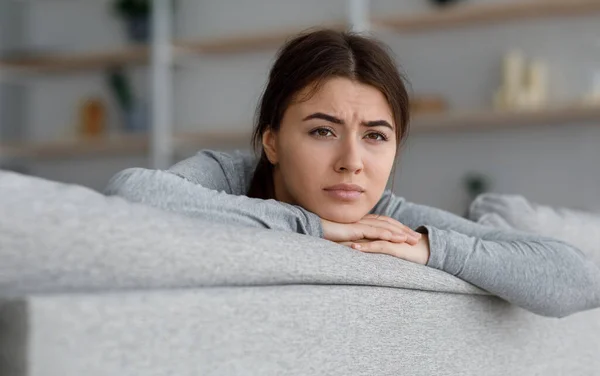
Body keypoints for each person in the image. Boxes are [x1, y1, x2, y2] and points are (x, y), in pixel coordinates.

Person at [105, 29, 599, 318]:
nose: (352, 161)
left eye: (376, 136)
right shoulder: (226, 175)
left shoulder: (387, 219)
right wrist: (317, 229)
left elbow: (577, 277)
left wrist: (430, 247)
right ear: (272, 141)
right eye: (323, 131)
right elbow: (132, 193)